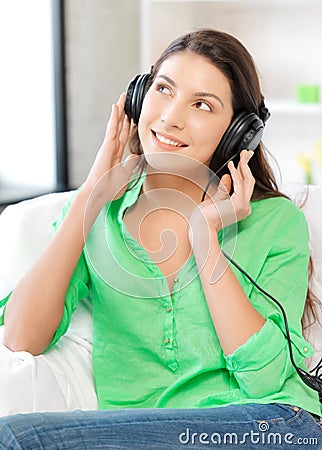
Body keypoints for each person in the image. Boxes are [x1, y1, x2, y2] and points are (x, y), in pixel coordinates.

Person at [0, 28, 321, 449]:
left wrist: (204, 237)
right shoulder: (102, 219)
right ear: (138, 98)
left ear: (238, 134)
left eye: (202, 104)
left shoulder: (275, 221)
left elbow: (263, 381)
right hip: (142, 436)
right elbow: (20, 338)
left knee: (19, 440)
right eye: (163, 89)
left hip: (274, 426)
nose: (171, 116)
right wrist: (92, 193)